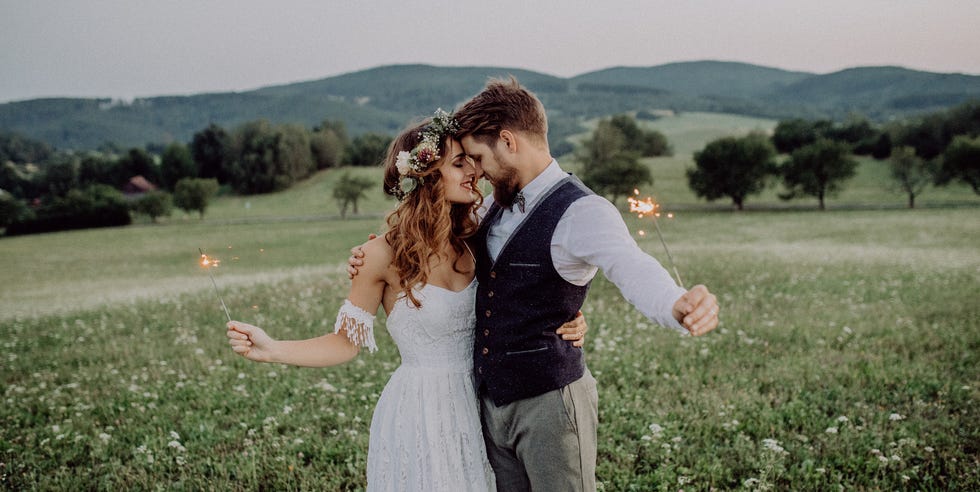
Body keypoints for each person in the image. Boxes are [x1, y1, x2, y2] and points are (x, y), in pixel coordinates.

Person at [351, 78, 719, 491]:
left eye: (477, 156)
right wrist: (378, 255)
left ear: (508, 142)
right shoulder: (490, 206)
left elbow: (631, 265)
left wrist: (675, 304)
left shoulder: (583, 211)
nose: (476, 171)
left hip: (550, 403)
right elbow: (444, 243)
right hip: (487, 406)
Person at [225, 109, 587, 492]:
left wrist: (571, 315)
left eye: (472, 161)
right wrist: (272, 349)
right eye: (459, 163)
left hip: (479, 405)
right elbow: (344, 344)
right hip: (419, 414)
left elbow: (521, 294)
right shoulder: (380, 255)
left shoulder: (476, 240)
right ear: (426, 174)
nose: (475, 172)